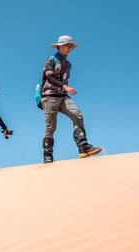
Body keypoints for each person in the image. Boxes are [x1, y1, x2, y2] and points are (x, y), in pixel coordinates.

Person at [39, 35, 102, 163]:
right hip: (49, 96)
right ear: (60, 46)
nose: (70, 48)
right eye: (68, 46)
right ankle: (47, 157)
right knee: (51, 127)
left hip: (63, 96)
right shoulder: (50, 60)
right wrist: (65, 87)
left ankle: (84, 148)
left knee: (77, 115)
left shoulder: (68, 64)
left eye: (71, 46)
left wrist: (65, 89)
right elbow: (50, 78)